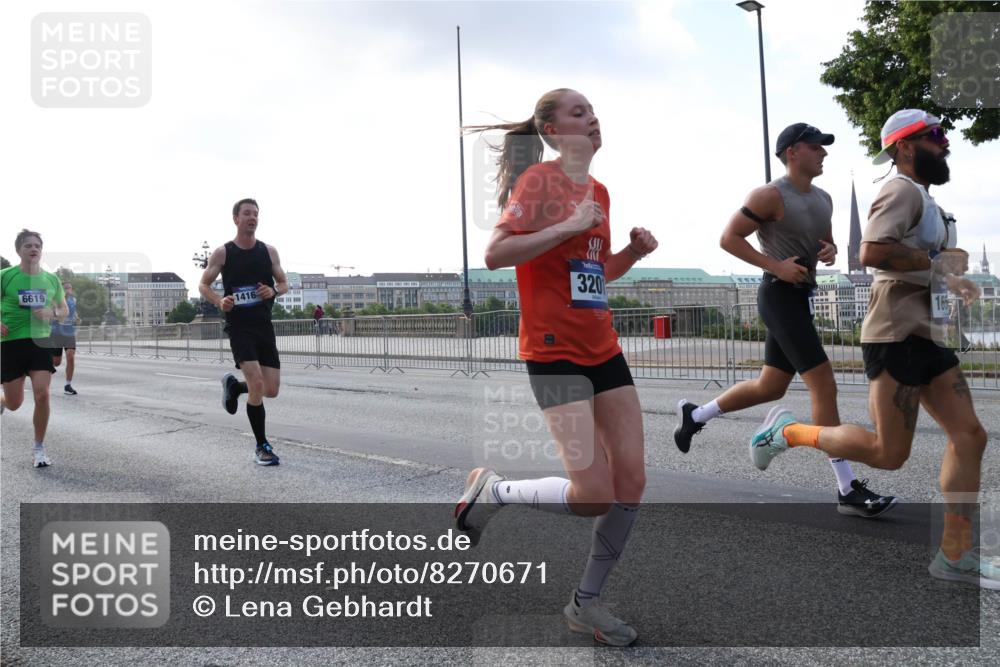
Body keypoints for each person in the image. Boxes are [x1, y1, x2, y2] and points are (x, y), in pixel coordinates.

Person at [750, 110, 997, 588]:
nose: (945, 143)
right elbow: (872, 252)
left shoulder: (926, 199)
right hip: (896, 335)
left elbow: (923, 263)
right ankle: (789, 432)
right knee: (888, 454)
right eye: (935, 136)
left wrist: (955, 279)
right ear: (906, 146)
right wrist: (933, 263)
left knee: (971, 436)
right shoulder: (900, 190)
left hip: (928, 335)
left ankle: (955, 555)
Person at [455, 88, 658, 645]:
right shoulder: (539, 182)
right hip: (553, 352)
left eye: (593, 110)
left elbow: (592, 273)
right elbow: (496, 254)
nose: (592, 118)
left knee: (632, 481)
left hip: (603, 347)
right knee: (592, 491)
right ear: (550, 131)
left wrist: (632, 254)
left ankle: (585, 603)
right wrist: (568, 225)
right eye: (578, 112)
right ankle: (493, 492)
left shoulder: (599, 191)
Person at [673, 123, 897, 517]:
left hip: (802, 297)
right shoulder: (769, 195)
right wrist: (775, 265)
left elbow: (822, 244)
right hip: (778, 297)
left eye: (824, 149)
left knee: (770, 386)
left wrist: (826, 251)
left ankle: (697, 414)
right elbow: (729, 238)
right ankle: (846, 488)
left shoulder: (824, 198)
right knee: (824, 385)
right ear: (793, 152)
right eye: (816, 147)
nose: (823, 154)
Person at [199, 198, 290, 466]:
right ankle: (262, 446)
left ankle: (234, 386)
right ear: (236, 219)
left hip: (263, 326)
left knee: (270, 390)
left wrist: (273, 290)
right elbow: (203, 284)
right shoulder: (223, 253)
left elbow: (284, 283)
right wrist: (219, 301)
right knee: (258, 384)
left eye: (256, 214)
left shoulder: (269, 252)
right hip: (239, 327)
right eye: (247, 214)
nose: (252, 218)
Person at [1, 229, 68, 467]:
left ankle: (39, 448)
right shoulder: (5, 276)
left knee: (43, 393)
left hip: (40, 341)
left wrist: (52, 312)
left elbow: (63, 310)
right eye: (28, 245)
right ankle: (3, 402)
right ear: (18, 250)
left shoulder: (51, 279)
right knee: (14, 403)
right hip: (11, 343)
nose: (33, 249)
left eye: (37, 245)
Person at [50, 280, 80, 395]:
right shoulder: (54, 300)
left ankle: (68, 385)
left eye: (70, 287)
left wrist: (77, 318)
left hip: (69, 333)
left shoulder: (73, 300)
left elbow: (74, 312)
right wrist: (57, 315)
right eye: (66, 287)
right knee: (56, 362)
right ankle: (43, 373)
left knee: (70, 356)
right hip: (56, 333)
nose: (68, 289)